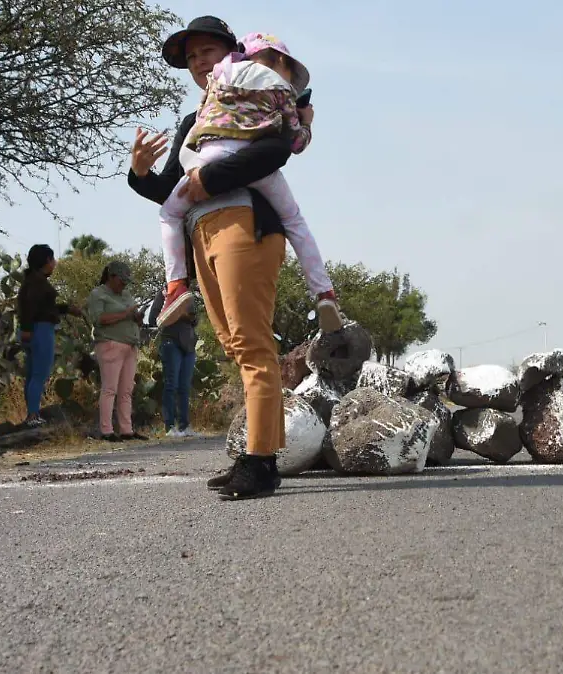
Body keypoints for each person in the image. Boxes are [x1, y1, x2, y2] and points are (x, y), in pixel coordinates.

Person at [128, 16, 288, 500]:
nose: (199, 61)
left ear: (230, 51)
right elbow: (172, 190)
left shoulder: (249, 94)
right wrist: (141, 173)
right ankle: (256, 456)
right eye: (191, 56)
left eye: (207, 51)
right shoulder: (192, 121)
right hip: (201, 231)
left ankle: (260, 462)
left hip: (245, 220)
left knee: (253, 342)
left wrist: (209, 181)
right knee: (234, 346)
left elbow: (276, 149)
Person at [154, 31, 342, 336]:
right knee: (295, 220)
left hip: (210, 156)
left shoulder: (219, 76)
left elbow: (203, 119)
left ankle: (175, 287)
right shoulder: (282, 91)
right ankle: (324, 293)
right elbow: (294, 143)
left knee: (169, 214)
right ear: (282, 61)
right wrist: (306, 121)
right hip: (256, 164)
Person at [15, 244, 82, 427]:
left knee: (32, 374)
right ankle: (33, 416)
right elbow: (29, 307)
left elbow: (44, 307)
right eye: (52, 259)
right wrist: (27, 329)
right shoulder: (37, 283)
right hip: (40, 330)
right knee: (40, 373)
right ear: (46, 261)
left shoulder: (33, 280)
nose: (55, 263)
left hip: (34, 329)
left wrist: (67, 309)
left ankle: (32, 414)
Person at [84, 261, 147, 442]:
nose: (124, 284)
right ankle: (107, 430)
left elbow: (134, 318)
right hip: (110, 345)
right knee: (110, 389)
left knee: (126, 390)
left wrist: (137, 318)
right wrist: (125, 314)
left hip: (130, 345)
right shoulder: (98, 294)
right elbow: (99, 319)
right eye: (122, 280)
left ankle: (127, 430)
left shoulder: (126, 294)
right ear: (111, 277)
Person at [148, 288, 199, 437]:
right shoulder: (164, 294)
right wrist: (175, 315)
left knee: (184, 386)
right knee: (171, 385)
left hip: (188, 345)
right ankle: (170, 426)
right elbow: (153, 319)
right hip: (171, 343)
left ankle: (184, 425)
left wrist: (189, 317)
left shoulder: (187, 294)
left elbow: (195, 320)